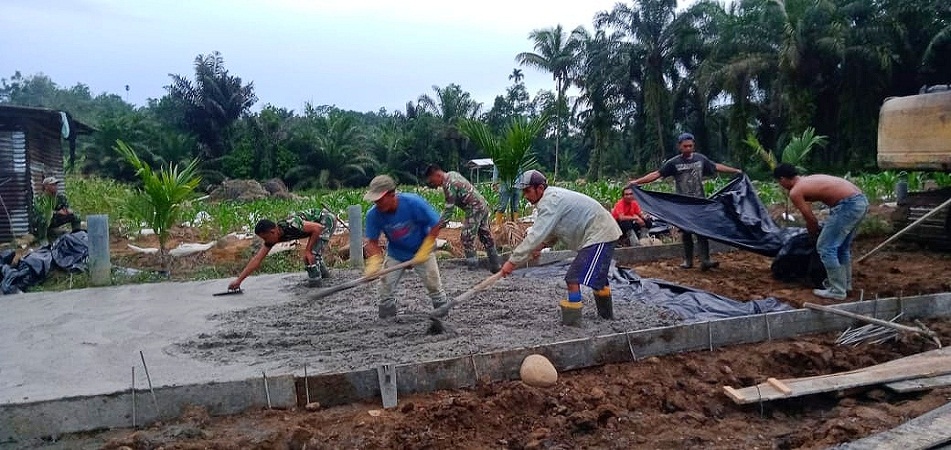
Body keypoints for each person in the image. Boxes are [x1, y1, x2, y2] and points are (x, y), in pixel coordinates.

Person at [499, 170, 622, 326]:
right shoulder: (552, 199)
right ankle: (606, 319)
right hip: (601, 232)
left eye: (527, 191)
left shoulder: (550, 202)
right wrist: (540, 246)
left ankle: (573, 323)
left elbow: (535, 235)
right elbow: (555, 231)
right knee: (600, 279)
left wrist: (512, 261)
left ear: (540, 188)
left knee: (572, 278)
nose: (525, 196)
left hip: (600, 234)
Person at [630, 132, 742, 270]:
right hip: (682, 203)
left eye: (690, 146)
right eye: (685, 146)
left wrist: (734, 171)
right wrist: (637, 181)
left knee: (702, 231)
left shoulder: (701, 159)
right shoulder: (673, 163)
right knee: (686, 232)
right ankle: (688, 261)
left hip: (699, 202)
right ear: (680, 147)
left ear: (693, 145)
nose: (688, 148)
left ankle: (705, 260)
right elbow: (657, 174)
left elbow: (716, 166)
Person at [773, 163, 868, 300]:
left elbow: (811, 219)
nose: (780, 185)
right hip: (860, 202)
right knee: (841, 248)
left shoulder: (796, 191)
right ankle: (845, 285)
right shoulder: (807, 180)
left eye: (778, 182)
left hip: (848, 206)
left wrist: (813, 235)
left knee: (826, 247)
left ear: (782, 179)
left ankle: (837, 290)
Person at [363, 174, 447, 319]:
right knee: (384, 288)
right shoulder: (373, 215)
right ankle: (387, 319)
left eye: (380, 199)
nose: (378, 203)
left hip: (421, 249)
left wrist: (426, 249)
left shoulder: (413, 203)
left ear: (392, 194)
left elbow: (436, 224)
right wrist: (374, 262)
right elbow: (372, 242)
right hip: (397, 252)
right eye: (375, 200)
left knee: (434, 285)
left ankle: (442, 314)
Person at [228, 209, 336, 290]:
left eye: (265, 238)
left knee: (310, 256)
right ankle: (326, 277)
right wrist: (239, 280)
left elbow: (317, 228)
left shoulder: (292, 225)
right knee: (314, 254)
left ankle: (316, 287)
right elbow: (257, 259)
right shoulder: (272, 238)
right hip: (317, 226)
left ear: (273, 232)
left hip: (326, 220)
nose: (266, 241)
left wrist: (307, 250)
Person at [424, 164, 502, 272]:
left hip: (475, 208)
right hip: (482, 205)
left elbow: (448, 210)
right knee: (486, 237)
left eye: (433, 181)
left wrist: (437, 227)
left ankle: (473, 268)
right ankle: (496, 266)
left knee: (467, 238)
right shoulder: (452, 174)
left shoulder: (448, 184)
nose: (435, 185)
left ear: (437, 175)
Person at [39, 176, 82, 242]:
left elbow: (66, 207)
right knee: (43, 219)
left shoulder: (60, 197)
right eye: (53, 185)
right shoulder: (41, 199)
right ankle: (43, 239)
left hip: (56, 219)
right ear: (46, 186)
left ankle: (77, 236)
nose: (56, 186)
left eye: (56, 184)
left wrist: (68, 211)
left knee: (76, 216)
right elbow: (41, 212)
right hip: (46, 222)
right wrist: (57, 212)